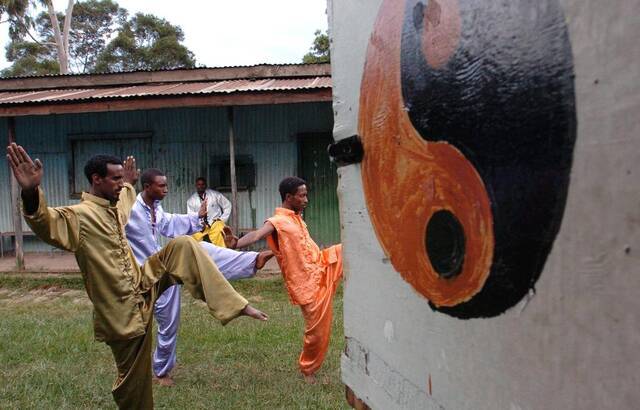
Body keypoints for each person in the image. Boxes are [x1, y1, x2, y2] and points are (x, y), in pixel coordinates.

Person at [6, 143, 268, 409]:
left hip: (145, 282)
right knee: (134, 385)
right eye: (115, 178)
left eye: (122, 178)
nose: (120, 184)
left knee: (185, 246)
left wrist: (129, 183)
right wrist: (29, 191)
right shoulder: (80, 216)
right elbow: (45, 222)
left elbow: (128, 200)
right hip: (121, 310)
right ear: (96, 179)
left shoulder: (118, 206)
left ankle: (236, 303)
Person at [125, 168, 273, 387]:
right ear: (147, 187)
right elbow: (112, 214)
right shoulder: (130, 208)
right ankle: (139, 371)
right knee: (146, 328)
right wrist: (126, 185)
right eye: (161, 186)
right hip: (140, 275)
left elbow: (169, 223)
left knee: (199, 250)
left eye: (166, 185)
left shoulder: (154, 208)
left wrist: (197, 218)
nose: (166, 189)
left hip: (161, 268)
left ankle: (251, 261)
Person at [229, 176, 343, 384]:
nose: (306, 199)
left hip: (322, 265)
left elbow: (289, 247)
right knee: (317, 332)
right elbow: (256, 235)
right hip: (306, 285)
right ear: (289, 197)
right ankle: (308, 370)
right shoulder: (277, 222)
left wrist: (270, 253)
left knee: (348, 249)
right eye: (302, 195)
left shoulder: (297, 218)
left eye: (306, 194)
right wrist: (236, 243)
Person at [187, 177, 232, 246]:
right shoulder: (191, 200)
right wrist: (199, 224)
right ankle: (199, 254)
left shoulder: (215, 195)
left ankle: (221, 253)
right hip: (201, 225)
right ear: (196, 186)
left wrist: (222, 219)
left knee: (220, 233)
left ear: (206, 185)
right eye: (199, 185)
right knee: (193, 237)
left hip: (215, 223)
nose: (201, 186)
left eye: (203, 184)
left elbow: (227, 205)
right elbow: (191, 216)